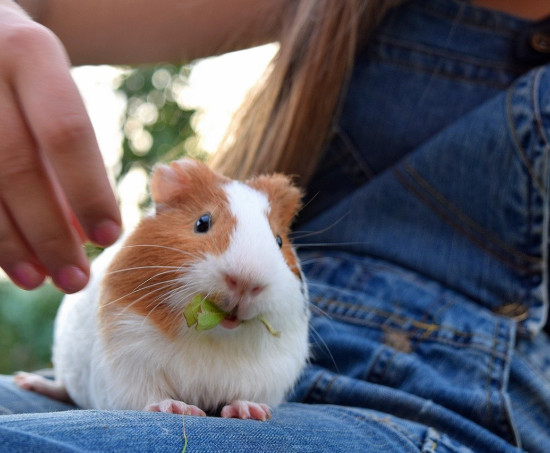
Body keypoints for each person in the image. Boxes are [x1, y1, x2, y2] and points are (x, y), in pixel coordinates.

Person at [1, 0, 549, 451]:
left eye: (276, 240)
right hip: (151, 393)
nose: (245, 270)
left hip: (451, 408)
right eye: (204, 225)